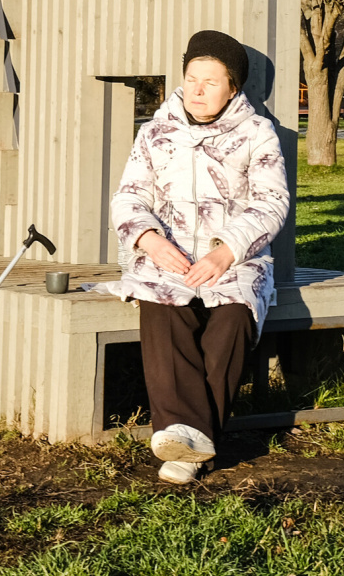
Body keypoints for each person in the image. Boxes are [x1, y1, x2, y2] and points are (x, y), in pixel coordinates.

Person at [110, 30, 290, 484]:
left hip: (234, 257)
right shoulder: (154, 133)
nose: (197, 90)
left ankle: (184, 443)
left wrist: (226, 252)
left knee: (232, 317)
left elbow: (272, 203)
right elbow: (129, 197)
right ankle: (191, 439)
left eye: (211, 82)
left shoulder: (256, 133)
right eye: (192, 79)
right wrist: (150, 241)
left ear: (233, 87)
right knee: (163, 308)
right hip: (166, 253)